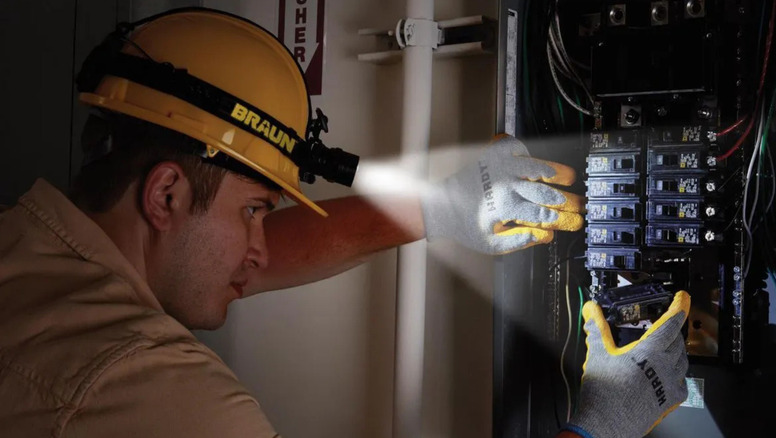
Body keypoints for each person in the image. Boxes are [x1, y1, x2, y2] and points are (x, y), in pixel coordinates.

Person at [0, 8, 689, 438]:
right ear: (167, 194)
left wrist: (437, 208)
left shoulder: (26, 249)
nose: (259, 247)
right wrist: (601, 427)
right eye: (254, 212)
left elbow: (234, 255)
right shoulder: (164, 395)